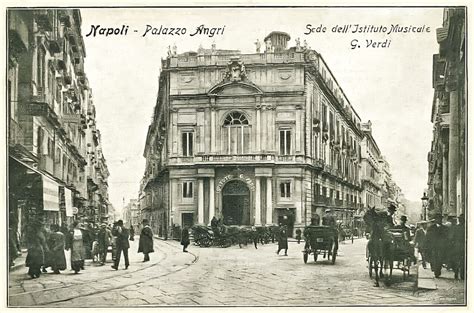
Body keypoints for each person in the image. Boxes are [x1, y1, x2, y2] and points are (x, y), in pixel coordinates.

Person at [426, 213, 448, 278]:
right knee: (434, 258)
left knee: (440, 259)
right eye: (437, 219)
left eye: (440, 219)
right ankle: (436, 270)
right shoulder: (431, 228)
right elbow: (428, 237)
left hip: (441, 246)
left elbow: (447, 237)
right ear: (435, 220)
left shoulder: (445, 228)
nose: (439, 220)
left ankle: (438, 270)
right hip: (433, 246)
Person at [451, 214, 465, 280]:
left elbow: (452, 237)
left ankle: (457, 273)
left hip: (457, 246)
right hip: (461, 246)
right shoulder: (466, 227)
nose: (460, 220)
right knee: (461, 260)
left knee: (458, 260)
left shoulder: (456, 227)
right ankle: (460, 274)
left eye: (460, 219)